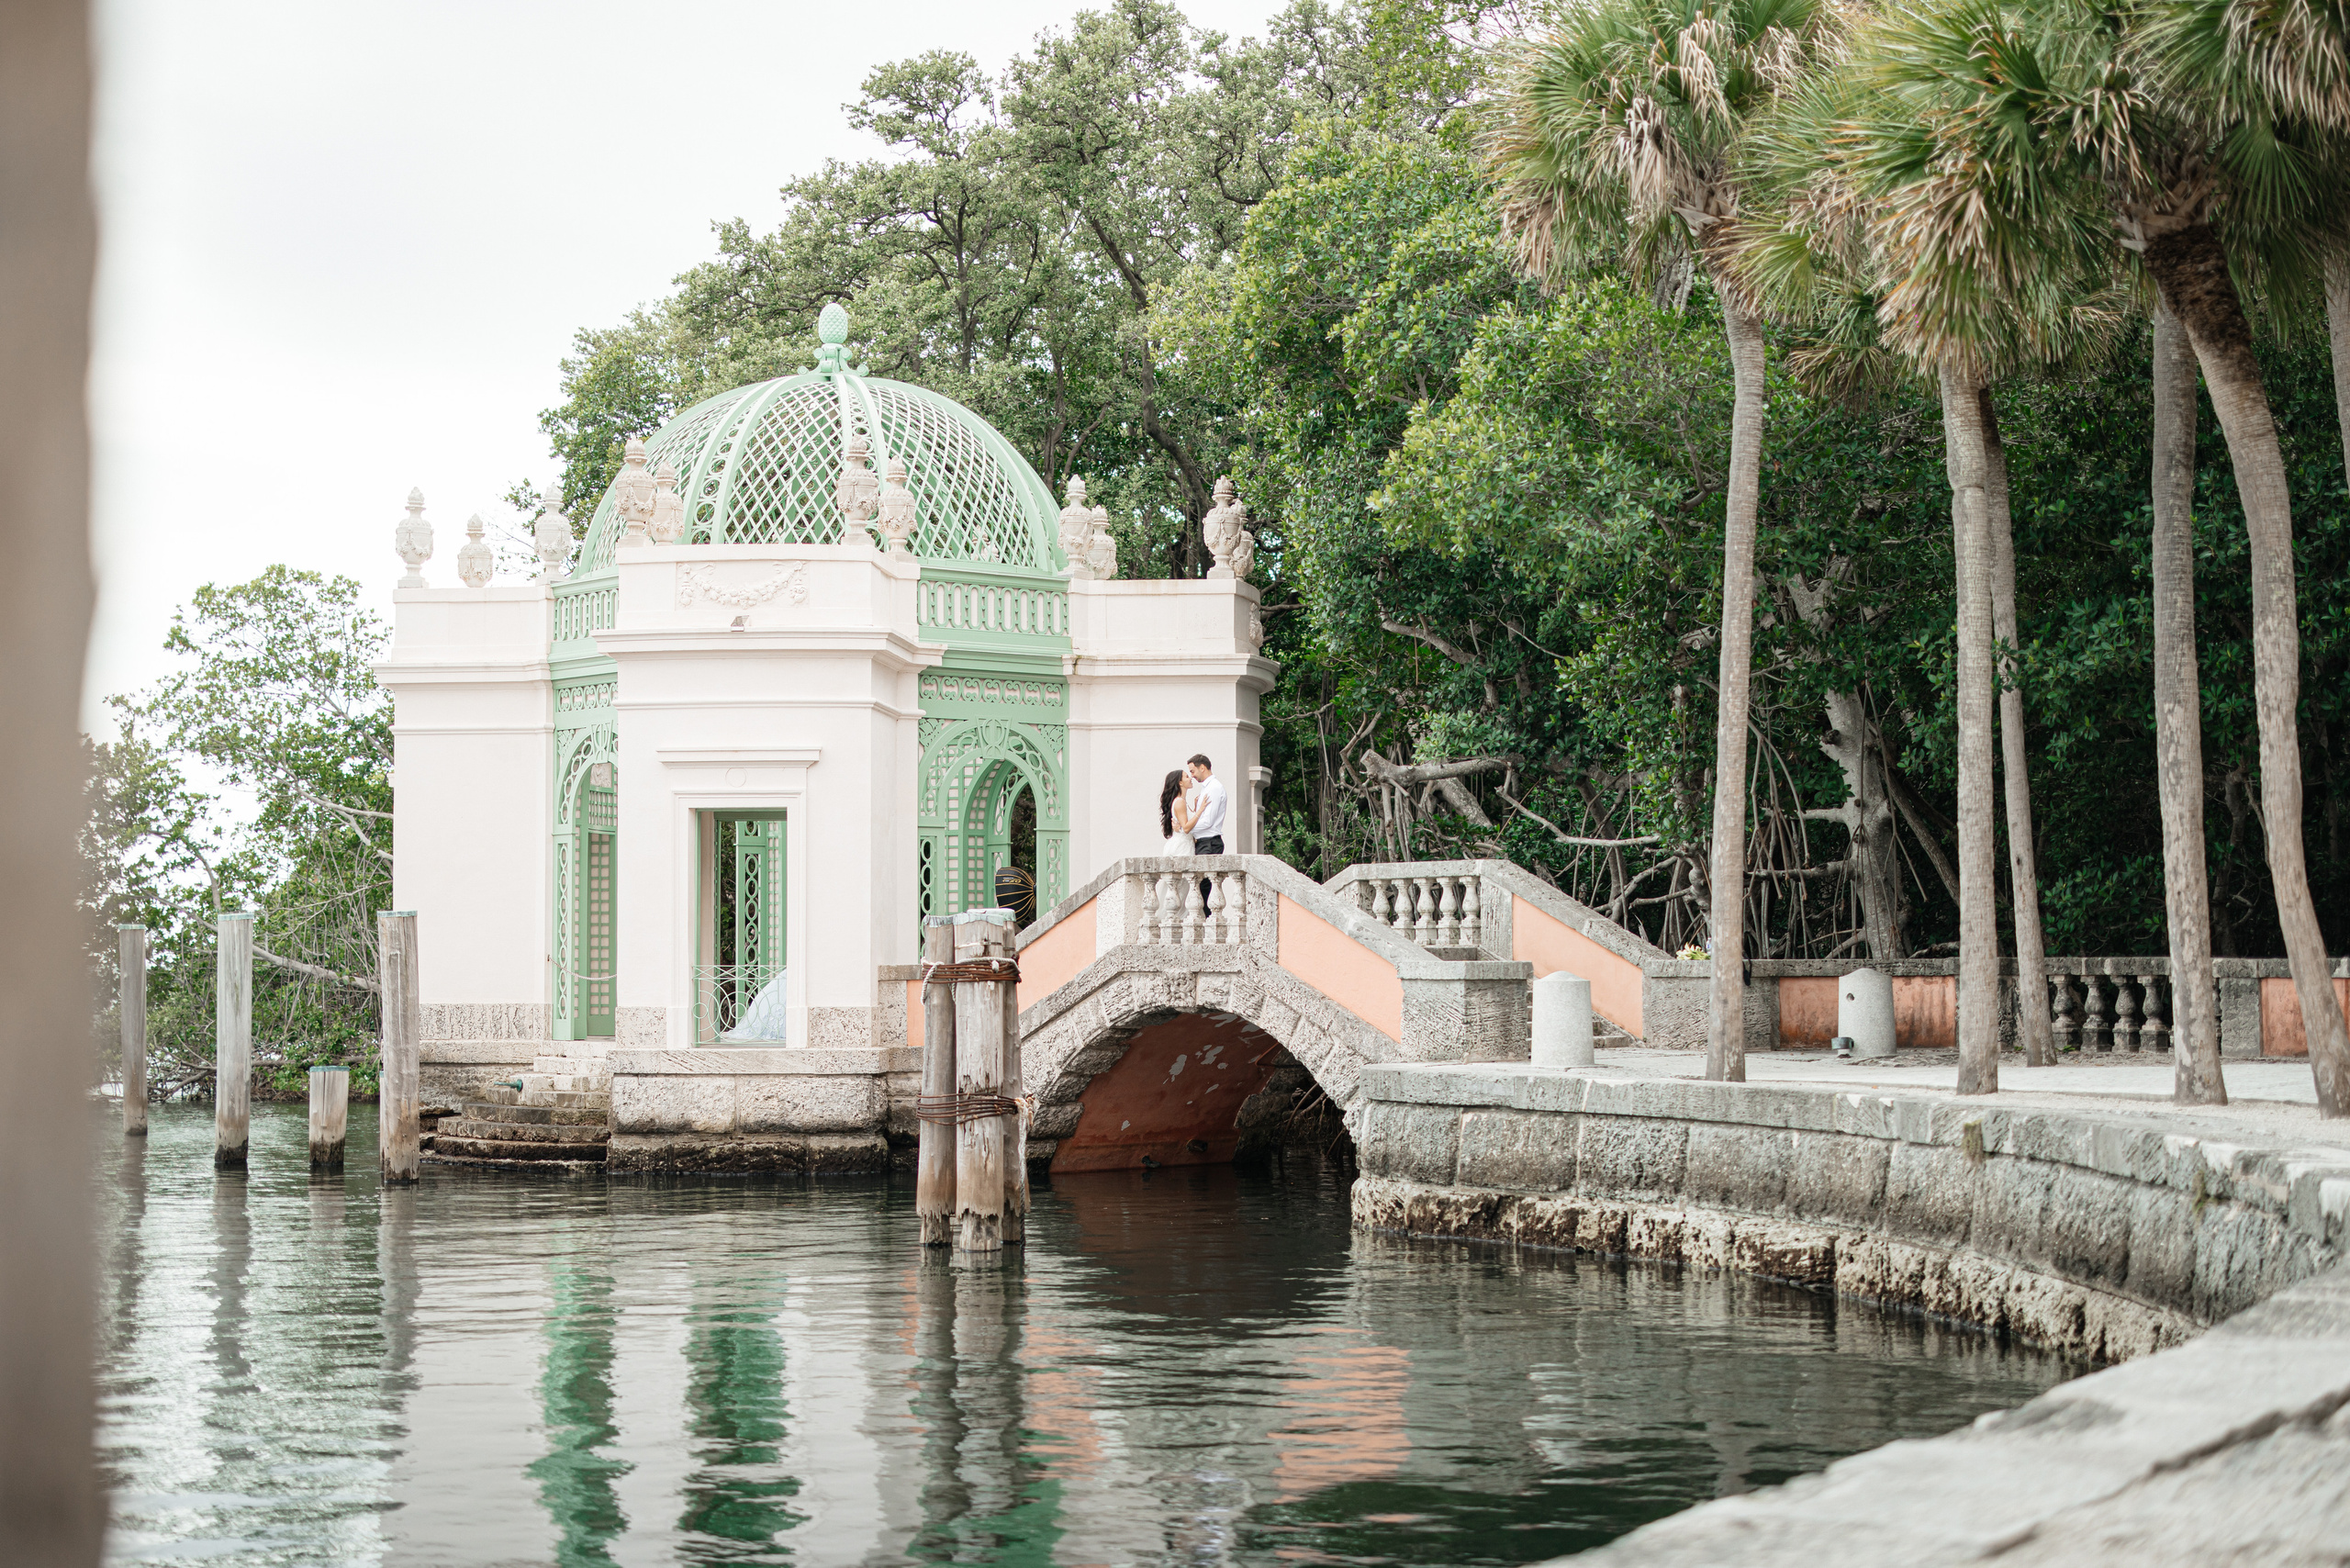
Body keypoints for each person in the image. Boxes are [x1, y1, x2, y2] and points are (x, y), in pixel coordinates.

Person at [1185, 754, 1227, 856]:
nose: (1192, 776)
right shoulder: (1207, 788)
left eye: (1192, 771)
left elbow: (1208, 821)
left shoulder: (1214, 788)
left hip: (1209, 843)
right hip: (1205, 843)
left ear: (1202, 768)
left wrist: (1185, 829)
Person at [1160, 768, 1195, 854]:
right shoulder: (1180, 801)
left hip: (1186, 844)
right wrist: (1200, 810)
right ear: (1180, 783)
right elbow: (1186, 827)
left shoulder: (1182, 801)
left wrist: (1196, 808)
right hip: (1182, 846)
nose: (1190, 778)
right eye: (1187, 777)